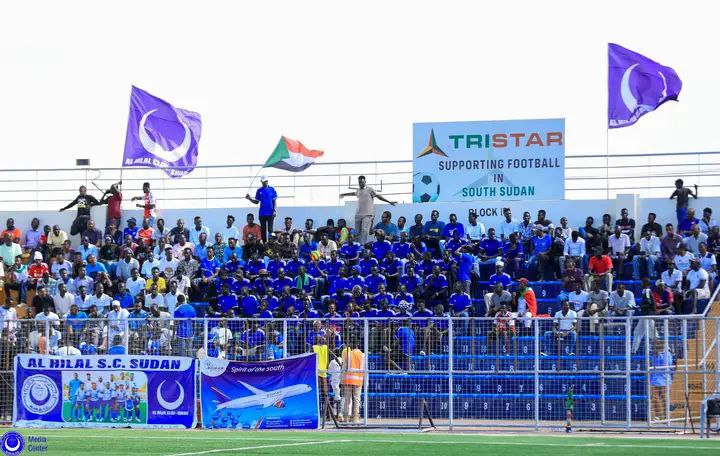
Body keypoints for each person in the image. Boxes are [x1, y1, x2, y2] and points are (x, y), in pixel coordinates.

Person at [339, 175, 397, 246]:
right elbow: (352, 193)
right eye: (359, 182)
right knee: (357, 232)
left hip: (367, 214)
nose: (361, 184)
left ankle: (362, 246)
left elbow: (378, 196)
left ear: (365, 182)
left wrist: (389, 201)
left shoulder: (370, 189)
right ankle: (357, 246)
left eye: (362, 182)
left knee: (364, 231)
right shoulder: (358, 190)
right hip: (358, 214)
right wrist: (344, 194)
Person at [246, 176, 277, 242]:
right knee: (263, 230)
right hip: (262, 213)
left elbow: (274, 201)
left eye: (266, 181)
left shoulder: (272, 189)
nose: (265, 182)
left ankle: (271, 243)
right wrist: (249, 198)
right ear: (261, 182)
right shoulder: (259, 190)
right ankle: (264, 243)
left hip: (270, 213)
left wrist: (274, 210)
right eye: (264, 181)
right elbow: (256, 202)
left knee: (270, 229)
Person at [340, 339, 365, 424]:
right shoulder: (362, 355)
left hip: (348, 379)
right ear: (358, 345)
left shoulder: (348, 354)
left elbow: (344, 367)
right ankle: (355, 418)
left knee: (347, 399)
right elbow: (364, 369)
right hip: (358, 380)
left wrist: (342, 379)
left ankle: (346, 418)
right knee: (357, 399)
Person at [649, 340, 674, 421]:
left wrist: (661, 354)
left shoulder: (667, 354)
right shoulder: (653, 354)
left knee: (664, 398)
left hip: (664, 379)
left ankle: (666, 416)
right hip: (655, 379)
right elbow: (653, 364)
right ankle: (658, 416)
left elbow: (668, 364)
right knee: (654, 398)